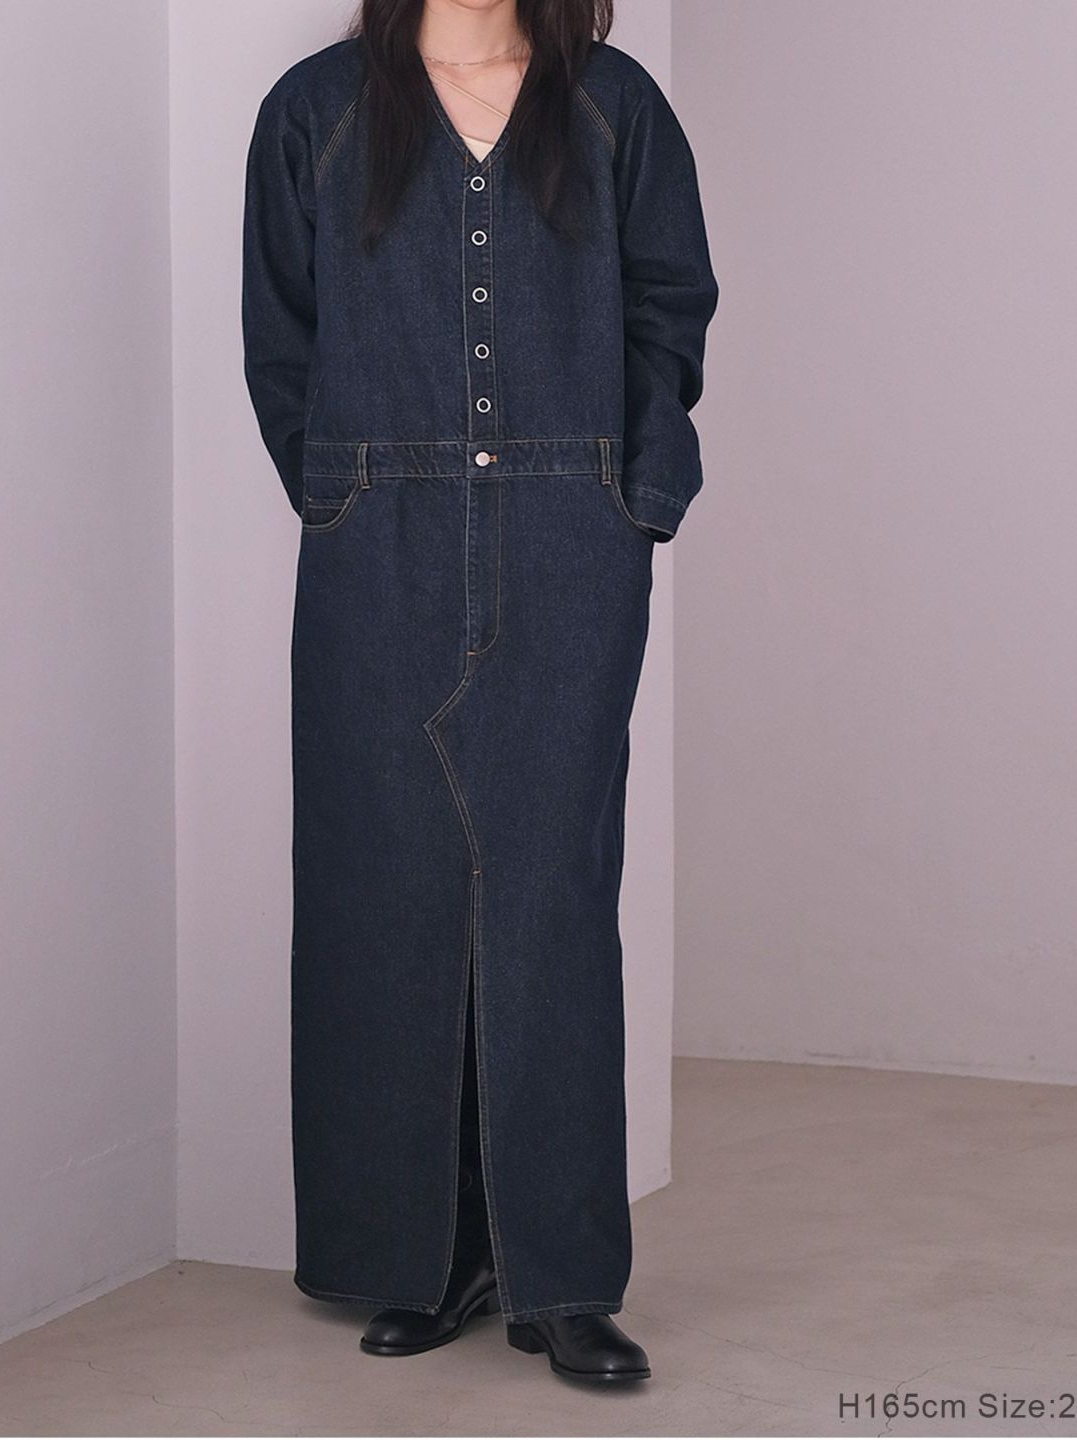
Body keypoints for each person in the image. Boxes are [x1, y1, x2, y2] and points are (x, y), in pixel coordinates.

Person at [241, 0, 717, 1386]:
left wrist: (637, 495)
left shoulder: (615, 106)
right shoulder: (313, 112)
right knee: (383, 883)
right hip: (376, 531)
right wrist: (338, 492)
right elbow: (282, 335)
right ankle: (425, 1253)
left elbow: (669, 309)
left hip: (570, 528)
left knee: (550, 891)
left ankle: (560, 1278)